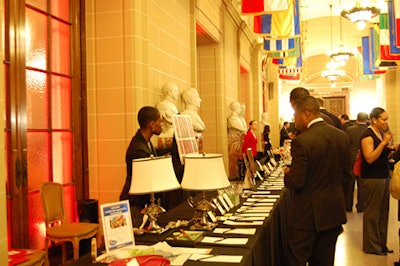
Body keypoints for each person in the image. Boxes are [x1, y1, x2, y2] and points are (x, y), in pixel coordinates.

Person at [284, 95, 350, 265]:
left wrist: (287, 173)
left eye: (295, 116)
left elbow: (296, 182)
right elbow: (346, 176)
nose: (294, 121)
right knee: (325, 261)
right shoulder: (341, 136)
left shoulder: (302, 141)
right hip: (333, 212)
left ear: (306, 114)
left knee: (297, 259)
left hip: (307, 216)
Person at [360, 107, 396, 255]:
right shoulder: (367, 135)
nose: (386, 122)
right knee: (373, 213)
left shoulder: (380, 134)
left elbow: (381, 157)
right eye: (384, 119)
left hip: (383, 175)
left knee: (383, 211)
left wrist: (391, 149)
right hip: (373, 177)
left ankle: (381, 243)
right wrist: (383, 144)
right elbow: (369, 158)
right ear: (374, 119)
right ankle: (371, 246)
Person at [119, 106, 163, 227]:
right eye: (160, 121)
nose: (162, 125)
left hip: (140, 203)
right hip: (136, 204)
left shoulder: (146, 142)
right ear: (152, 124)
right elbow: (144, 179)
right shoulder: (138, 148)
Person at [344, 112, 369, 212]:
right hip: (364, 158)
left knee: (350, 183)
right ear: (366, 119)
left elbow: (346, 144)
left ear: (357, 119)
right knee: (362, 184)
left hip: (351, 158)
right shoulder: (368, 130)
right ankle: (361, 206)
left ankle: (348, 205)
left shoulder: (350, 130)